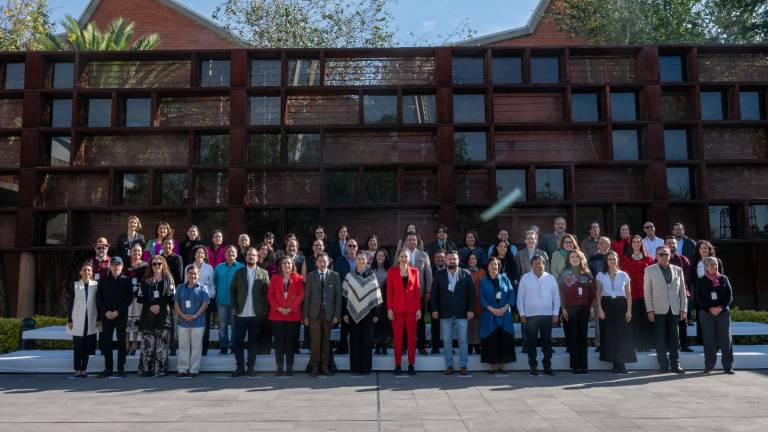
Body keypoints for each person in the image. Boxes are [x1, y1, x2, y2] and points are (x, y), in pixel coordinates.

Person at [644, 245, 687, 374]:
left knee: (675, 338)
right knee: (660, 338)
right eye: (661, 254)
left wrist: (683, 309)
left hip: (674, 309)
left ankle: (676, 364)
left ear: (670, 255)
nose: (664, 257)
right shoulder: (649, 270)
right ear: (656, 256)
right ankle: (663, 364)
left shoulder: (678, 270)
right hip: (658, 309)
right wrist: (649, 310)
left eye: (666, 254)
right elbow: (647, 292)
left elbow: (682, 291)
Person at [430, 250, 475, 375]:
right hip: (445, 313)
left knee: (463, 340)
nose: (452, 261)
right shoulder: (439, 274)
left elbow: (472, 294)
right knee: (447, 340)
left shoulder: (465, 273)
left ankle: (463, 365)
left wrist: (471, 310)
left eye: (454, 259)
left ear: (458, 260)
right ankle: (449, 366)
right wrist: (434, 309)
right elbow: (434, 294)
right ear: (446, 260)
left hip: (462, 313)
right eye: (449, 259)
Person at [230, 247, 270, 377]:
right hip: (240, 313)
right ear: (245, 257)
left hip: (256, 314)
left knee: (253, 342)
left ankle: (251, 367)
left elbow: (267, 294)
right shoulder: (239, 272)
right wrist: (234, 307)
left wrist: (264, 311)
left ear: (257, 258)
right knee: (238, 341)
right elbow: (232, 291)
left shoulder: (264, 273)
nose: (251, 257)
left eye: (253, 255)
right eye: (249, 255)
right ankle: (240, 367)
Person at [517, 256, 560, 376]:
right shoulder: (525, 278)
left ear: (544, 264)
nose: (538, 265)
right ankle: (533, 366)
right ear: (531, 264)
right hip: (531, 316)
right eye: (535, 263)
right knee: (531, 342)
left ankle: (547, 366)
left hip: (547, 315)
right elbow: (520, 297)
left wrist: (555, 313)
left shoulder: (550, 278)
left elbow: (556, 297)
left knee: (547, 342)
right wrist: (522, 314)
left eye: (540, 263)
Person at [343, 251, 383, 375]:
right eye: (359, 259)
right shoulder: (349, 276)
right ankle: (355, 368)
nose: (361, 261)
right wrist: (344, 313)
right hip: (352, 312)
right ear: (356, 260)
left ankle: (366, 368)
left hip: (369, 313)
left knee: (366, 340)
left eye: (363, 259)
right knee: (354, 340)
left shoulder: (372, 276)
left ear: (367, 261)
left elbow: (376, 297)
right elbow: (345, 296)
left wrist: (376, 314)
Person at [595, 251, 636, 373]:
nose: (612, 261)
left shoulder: (624, 275)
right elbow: (597, 294)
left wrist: (629, 310)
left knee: (623, 335)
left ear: (617, 260)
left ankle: (622, 363)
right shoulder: (600, 275)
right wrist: (600, 310)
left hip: (621, 305)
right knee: (609, 335)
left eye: (614, 259)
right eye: (610, 259)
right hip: (607, 305)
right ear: (606, 261)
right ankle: (614, 363)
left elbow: (628, 294)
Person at [303, 253, 342, 376]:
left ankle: (325, 366)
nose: (322, 263)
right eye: (320, 261)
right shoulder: (310, 276)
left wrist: (337, 315)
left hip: (329, 314)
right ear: (316, 262)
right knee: (315, 341)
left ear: (328, 262)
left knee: (326, 341)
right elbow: (307, 297)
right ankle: (314, 367)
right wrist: (305, 316)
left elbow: (338, 298)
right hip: (314, 314)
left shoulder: (335, 276)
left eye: (324, 261)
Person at [137, 255, 175, 377]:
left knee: (161, 346)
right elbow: (140, 296)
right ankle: (146, 369)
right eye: (154, 264)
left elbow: (171, 296)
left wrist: (159, 306)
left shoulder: (168, 278)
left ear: (163, 264)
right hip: (148, 316)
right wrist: (151, 306)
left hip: (163, 315)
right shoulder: (146, 279)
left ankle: (161, 370)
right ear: (151, 266)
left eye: (159, 263)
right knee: (148, 345)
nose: (157, 266)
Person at [695, 257, 735, 374]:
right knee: (709, 340)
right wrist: (709, 308)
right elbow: (698, 297)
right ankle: (709, 366)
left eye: (716, 264)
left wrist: (720, 308)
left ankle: (728, 366)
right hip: (707, 313)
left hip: (722, 312)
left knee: (726, 340)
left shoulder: (724, 278)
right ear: (706, 267)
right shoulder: (701, 280)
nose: (714, 266)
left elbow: (729, 296)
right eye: (711, 264)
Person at [558, 250, 595, 374]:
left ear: (581, 258)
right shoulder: (564, 274)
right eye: (572, 257)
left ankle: (584, 365)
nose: (574, 259)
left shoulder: (587, 273)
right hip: (570, 309)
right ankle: (575, 366)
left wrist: (591, 308)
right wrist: (563, 308)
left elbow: (592, 292)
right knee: (573, 336)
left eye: (577, 257)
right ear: (568, 259)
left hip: (584, 308)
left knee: (583, 337)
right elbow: (561, 292)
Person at [95, 256, 133, 378]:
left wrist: (118, 311)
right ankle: (108, 368)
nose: (116, 267)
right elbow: (98, 298)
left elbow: (129, 299)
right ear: (110, 266)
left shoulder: (127, 280)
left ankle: (121, 368)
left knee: (122, 342)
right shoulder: (103, 280)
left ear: (122, 266)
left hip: (120, 315)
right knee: (107, 342)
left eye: (118, 265)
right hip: (106, 316)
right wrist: (106, 312)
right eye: (114, 264)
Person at [387, 249, 422, 375]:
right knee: (397, 338)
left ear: (409, 258)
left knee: (412, 338)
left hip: (412, 310)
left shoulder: (415, 271)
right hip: (397, 310)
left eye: (406, 256)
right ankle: (398, 364)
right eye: (402, 256)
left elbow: (417, 292)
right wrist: (389, 309)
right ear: (398, 258)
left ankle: (411, 364)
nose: (404, 258)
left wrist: (419, 309)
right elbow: (389, 292)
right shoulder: (392, 271)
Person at [268, 256, 305, 376]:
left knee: (290, 343)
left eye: (289, 263)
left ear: (292, 265)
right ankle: (279, 367)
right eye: (284, 263)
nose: (287, 265)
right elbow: (270, 295)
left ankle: (289, 367)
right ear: (281, 266)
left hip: (292, 315)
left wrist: (290, 309)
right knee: (279, 343)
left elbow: (300, 295)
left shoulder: (299, 278)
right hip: (277, 315)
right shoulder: (274, 278)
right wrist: (279, 308)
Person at [478, 257, 516, 373]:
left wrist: (505, 308)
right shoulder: (483, 281)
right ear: (487, 266)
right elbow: (481, 298)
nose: (494, 267)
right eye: (491, 264)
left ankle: (502, 365)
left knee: (503, 339)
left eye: (496, 265)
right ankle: (493, 366)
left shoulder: (505, 279)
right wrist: (493, 310)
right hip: (490, 315)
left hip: (504, 315)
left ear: (499, 267)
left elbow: (511, 294)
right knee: (492, 340)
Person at [513, 230, 548, 353]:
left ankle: (544, 344)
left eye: (533, 238)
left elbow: (547, 272)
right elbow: (516, 272)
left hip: (541, 290)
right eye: (528, 239)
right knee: (526, 318)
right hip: (526, 289)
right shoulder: (519, 254)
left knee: (543, 319)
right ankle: (526, 344)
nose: (531, 240)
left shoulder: (543, 254)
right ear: (525, 241)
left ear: (536, 240)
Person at [174, 264, 210, 377]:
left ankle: (194, 369)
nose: (192, 275)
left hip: (198, 323)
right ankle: (183, 369)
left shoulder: (203, 288)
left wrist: (195, 316)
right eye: (190, 273)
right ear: (187, 274)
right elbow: (176, 304)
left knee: (196, 347)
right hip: (183, 322)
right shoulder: (180, 287)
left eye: (195, 273)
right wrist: (183, 315)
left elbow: (205, 304)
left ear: (198, 275)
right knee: (183, 347)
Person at [621, 235, 654, 351]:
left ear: (641, 244)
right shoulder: (626, 259)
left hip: (646, 294)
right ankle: (637, 345)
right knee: (635, 320)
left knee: (646, 320)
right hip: (632, 294)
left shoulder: (648, 259)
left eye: (638, 242)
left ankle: (647, 345)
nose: (636, 244)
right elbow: (624, 278)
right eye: (634, 242)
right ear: (631, 245)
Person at [401, 233, 433, 355]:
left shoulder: (423, 255)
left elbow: (428, 275)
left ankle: (421, 346)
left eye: (414, 240)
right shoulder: (401, 255)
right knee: (404, 320)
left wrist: (428, 291)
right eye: (409, 240)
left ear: (417, 242)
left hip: (419, 294)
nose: (412, 242)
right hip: (405, 294)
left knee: (420, 322)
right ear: (405, 242)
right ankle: (404, 346)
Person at [67, 262, 100, 378]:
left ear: (92, 273)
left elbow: (98, 303)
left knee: (87, 346)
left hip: (90, 319)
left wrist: (99, 318)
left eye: (89, 270)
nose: (87, 272)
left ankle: (84, 369)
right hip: (77, 320)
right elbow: (70, 303)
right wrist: (69, 320)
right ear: (80, 272)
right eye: (84, 270)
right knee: (78, 346)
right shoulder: (75, 285)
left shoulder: (95, 285)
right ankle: (77, 369)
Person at [690, 240, 724, 345]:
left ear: (709, 250)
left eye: (706, 248)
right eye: (701, 248)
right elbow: (693, 279)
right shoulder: (695, 262)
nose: (704, 250)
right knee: (702, 319)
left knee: (716, 319)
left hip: (715, 295)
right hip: (701, 295)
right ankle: (703, 343)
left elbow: (721, 278)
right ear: (698, 250)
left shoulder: (717, 261)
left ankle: (717, 343)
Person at [213, 245, 243, 356]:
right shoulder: (218, 267)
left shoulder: (241, 267)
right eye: (228, 252)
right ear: (225, 255)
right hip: (222, 300)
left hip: (235, 302)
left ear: (236, 254)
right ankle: (223, 348)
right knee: (222, 325)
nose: (230, 254)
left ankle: (234, 347)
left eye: (233, 252)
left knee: (235, 325)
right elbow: (215, 282)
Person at [665, 236, 692, 352]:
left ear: (677, 245)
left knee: (682, 321)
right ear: (665, 245)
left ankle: (684, 346)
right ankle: (670, 345)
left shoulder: (683, 259)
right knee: (668, 321)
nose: (672, 245)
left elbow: (686, 278)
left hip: (681, 293)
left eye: (674, 243)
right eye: (669, 243)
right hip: (666, 295)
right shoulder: (660, 259)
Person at [333, 238, 358, 355]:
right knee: (345, 321)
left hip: (359, 296)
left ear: (357, 248)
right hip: (344, 294)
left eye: (354, 246)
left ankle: (355, 347)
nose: (352, 248)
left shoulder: (361, 260)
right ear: (346, 248)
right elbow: (336, 277)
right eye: (350, 246)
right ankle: (343, 346)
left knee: (356, 322)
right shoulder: (339, 261)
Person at [192, 245, 216, 356]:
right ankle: (193, 350)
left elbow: (211, 285)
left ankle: (204, 350)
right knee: (193, 326)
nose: (200, 255)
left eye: (202, 253)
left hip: (205, 302)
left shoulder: (209, 268)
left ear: (205, 255)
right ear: (194, 254)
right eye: (198, 252)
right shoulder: (189, 267)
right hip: (191, 302)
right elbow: (185, 284)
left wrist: (210, 296)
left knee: (205, 327)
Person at [124, 244, 147, 356]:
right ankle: (127, 343)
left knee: (136, 318)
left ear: (141, 253)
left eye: (138, 251)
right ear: (130, 252)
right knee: (127, 319)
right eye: (134, 251)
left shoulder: (145, 265)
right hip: (127, 296)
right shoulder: (125, 264)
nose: (136, 253)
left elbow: (146, 280)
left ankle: (134, 343)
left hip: (139, 297)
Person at [371, 249, 391, 355]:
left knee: (385, 323)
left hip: (386, 301)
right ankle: (377, 346)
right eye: (379, 256)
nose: (380, 257)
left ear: (386, 258)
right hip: (374, 302)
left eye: (383, 256)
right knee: (376, 324)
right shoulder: (371, 270)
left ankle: (384, 346)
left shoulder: (390, 270)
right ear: (375, 257)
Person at [466, 253, 486, 355]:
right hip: (469, 301)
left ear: (477, 260)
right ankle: (469, 346)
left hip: (480, 301)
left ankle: (478, 346)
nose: (472, 260)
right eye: (470, 259)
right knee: (469, 325)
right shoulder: (464, 272)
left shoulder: (482, 272)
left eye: (473, 258)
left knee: (478, 325)